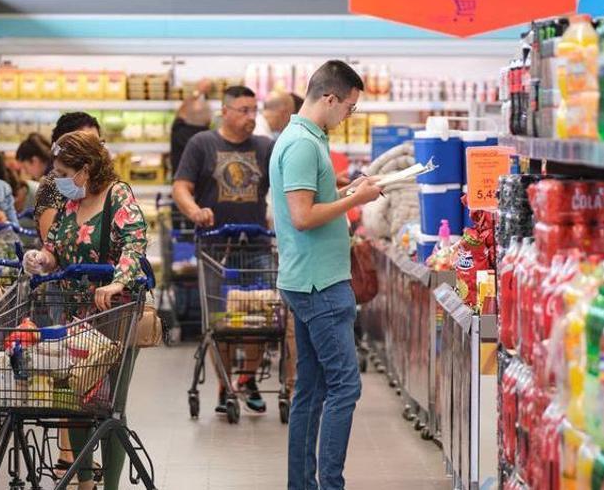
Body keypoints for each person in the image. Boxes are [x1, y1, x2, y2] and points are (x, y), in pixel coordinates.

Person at [269, 60, 382, 490]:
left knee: (312, 391)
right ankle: (329, 484)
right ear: (329, 98)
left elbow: (313, 201)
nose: (348, 116)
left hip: (310, 279)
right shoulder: (302, 144)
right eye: (349, 108)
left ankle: (303, 485)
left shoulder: (305, 139)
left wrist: (347, 190)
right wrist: (357, 200)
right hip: (319, 285)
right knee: (344, 388)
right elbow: (302, 216)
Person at [21, 131, 148, 490]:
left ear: (86, 168)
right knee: (73, 398)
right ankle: (85, 482)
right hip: (74, 313)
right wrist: (41, 259)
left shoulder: (117, 195)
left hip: (114, 314)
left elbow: (135, 243)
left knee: (110, 406)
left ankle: (110, 486)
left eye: (63, 170)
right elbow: (55, 248)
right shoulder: (69, 202)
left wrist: (117, 282)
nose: (58, 178)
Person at [172, 85, 275, 415]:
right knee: (223, 322)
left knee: (261, 318)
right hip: (215, 247)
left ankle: (245, 378)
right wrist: (194, 211)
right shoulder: (202, 144)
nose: (250, 117)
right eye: (243, 110)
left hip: (257, 244)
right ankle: (224, 383)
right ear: (225, 112)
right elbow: (181, 187)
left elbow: (289, 186)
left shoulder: (265, 147)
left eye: (254, 110)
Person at [33, 112, 102, 239]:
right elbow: (50, 243)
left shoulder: (100, 181)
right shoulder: (53, 185)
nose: (96, 151)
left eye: (99, 144)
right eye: (87, 144)